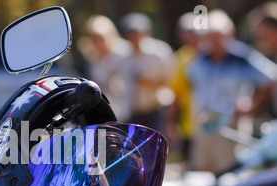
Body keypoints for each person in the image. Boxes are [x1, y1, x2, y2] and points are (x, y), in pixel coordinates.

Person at [187, 10, 277, 173]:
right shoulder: (201, 58)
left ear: (229, 34)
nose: (215, 41)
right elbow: (193, 81)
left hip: (232, 127)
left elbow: (271, 78)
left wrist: (251, 109)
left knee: (231, 172)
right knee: (202, 169)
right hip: (205, 125)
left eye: (219, 36)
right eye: (210, 36)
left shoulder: (242, 57)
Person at [117, 12, 176, 132]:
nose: (135, 38)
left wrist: (149, 83)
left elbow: (172, 81)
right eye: (131, 34)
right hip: (134, 111)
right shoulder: (122, 55)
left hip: (157, 109)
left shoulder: (160, 52)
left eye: (137, 33)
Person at [77, 15, 131, 121]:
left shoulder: (123, 53)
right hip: (110, 112)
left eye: (100, 37)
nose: (97, 42)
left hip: (130, 109)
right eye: (94, 38)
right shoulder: (93, 59)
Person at [166, 12, 201, 162]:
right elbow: (176, 94)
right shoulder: (181, 58)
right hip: (189, 125)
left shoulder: (213, 55)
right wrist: (171, 123)